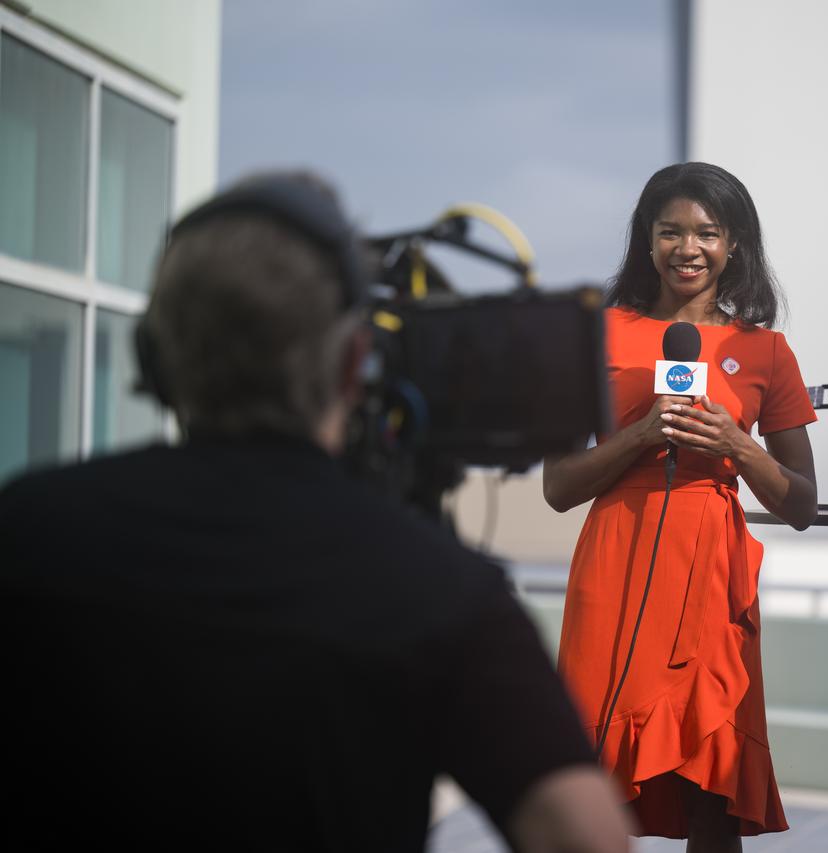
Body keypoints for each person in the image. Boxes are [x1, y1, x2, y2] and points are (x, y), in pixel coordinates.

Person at [0, 173, 631, 853]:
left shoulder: (27, 525)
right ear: (353, 362)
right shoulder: (439, 590)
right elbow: (585, 836)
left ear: (153, 358)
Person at [543, 162, 818, 851]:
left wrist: (738, 445)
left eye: (707, 233)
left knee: (712, 790)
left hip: (711, 584)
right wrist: (641, 433)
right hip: (616, 566)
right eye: (670, 231)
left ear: (735, 246)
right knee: (590, 784)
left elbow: (802, 503)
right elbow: (557, 486)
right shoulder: (595, 334)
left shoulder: (766, 350)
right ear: (646, 240)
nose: (687, 248)